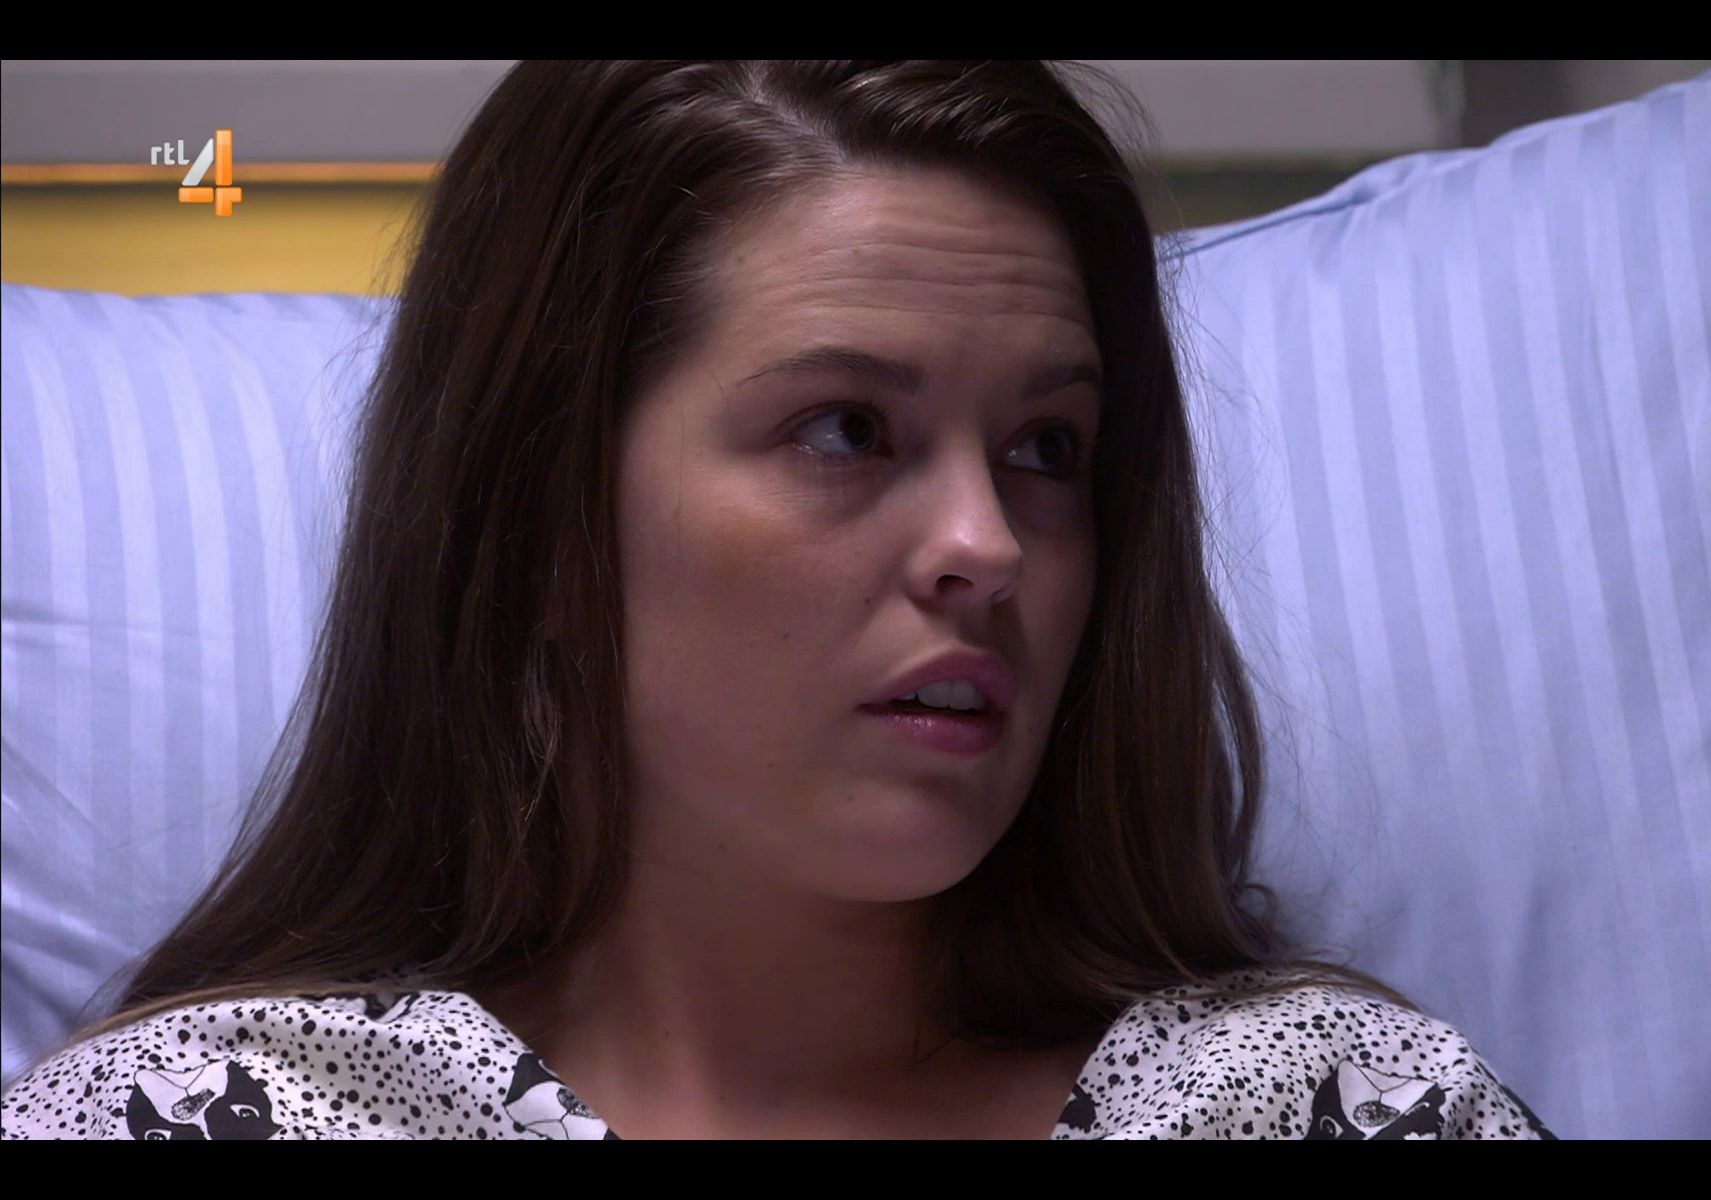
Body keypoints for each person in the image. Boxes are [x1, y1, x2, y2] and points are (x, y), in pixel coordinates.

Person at [0, 60, 1550, 1140]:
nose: (985, 543)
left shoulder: (1330, 1104)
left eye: (1047, 449)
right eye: (845, 429)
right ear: (541, 522)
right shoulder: (201, 1117)